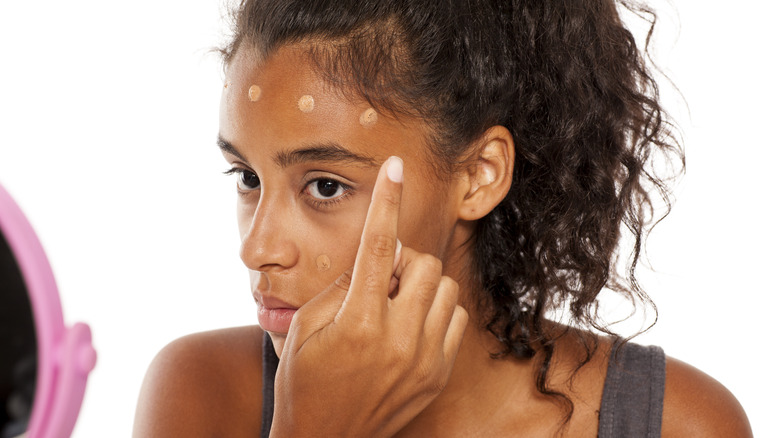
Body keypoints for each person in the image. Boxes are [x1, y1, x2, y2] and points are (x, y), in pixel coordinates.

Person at [133, 0, 752, 436]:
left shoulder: (675, 424)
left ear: (478, 174)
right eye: (248, 178)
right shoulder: (203, 395)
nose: (258, 247)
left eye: (324, 185)